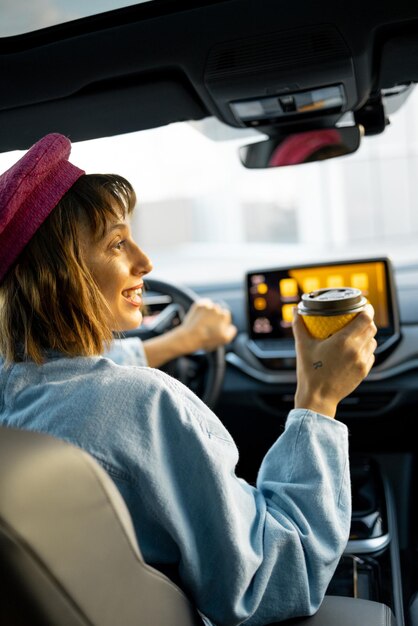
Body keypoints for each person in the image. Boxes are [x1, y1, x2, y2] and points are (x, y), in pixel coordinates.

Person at [0, 133, 377, 626]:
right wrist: (319, 396)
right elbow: (281, 576)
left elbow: (78, 371)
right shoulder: (145, 407)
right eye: (117, 243)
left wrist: (179, 342)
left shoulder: (17, 388)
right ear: (61, 275)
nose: (144, 262)